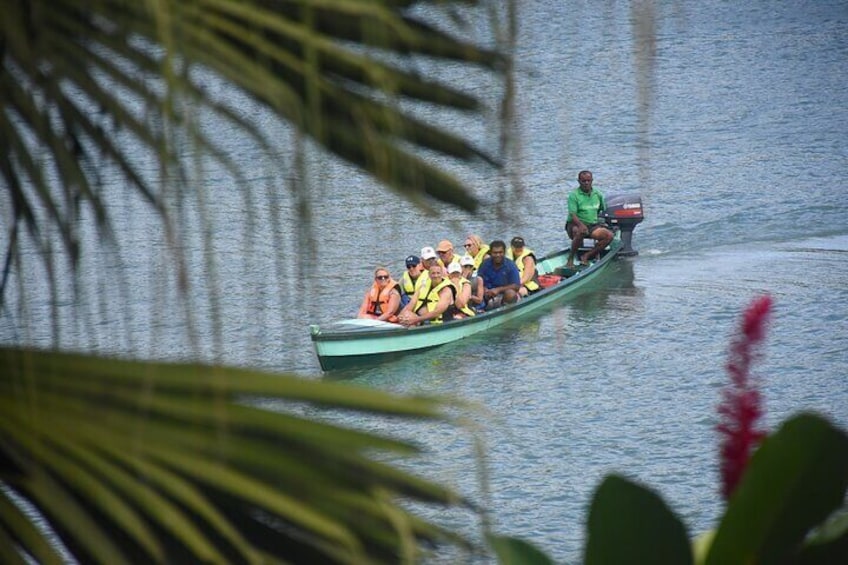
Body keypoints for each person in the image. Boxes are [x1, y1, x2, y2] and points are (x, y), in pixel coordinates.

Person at [566, 170, 614, 267]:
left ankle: (587, 256)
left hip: (592, 225)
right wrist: (580, 225)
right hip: (575, 224)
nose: (586, 183)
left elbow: (601, 209)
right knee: (580, 231)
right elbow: (572, 215)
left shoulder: (598, 194)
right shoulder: (574, 195)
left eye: (588, 180)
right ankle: (570, 258)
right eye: (583, 181)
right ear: (579, 181)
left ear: (592, 180)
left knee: (609, 236)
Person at [477, 239, 521, 310]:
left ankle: (504, 311)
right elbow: (479, 280)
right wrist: (484, 290)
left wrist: (498, 290)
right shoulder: (484, 264)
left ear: (504, 252)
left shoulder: (511, 265)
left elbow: (516, 286)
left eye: (500, 252)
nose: (498, 255)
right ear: (491, 253)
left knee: (510, 293)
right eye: (495, 253)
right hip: (486, 294)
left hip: (503, 295)